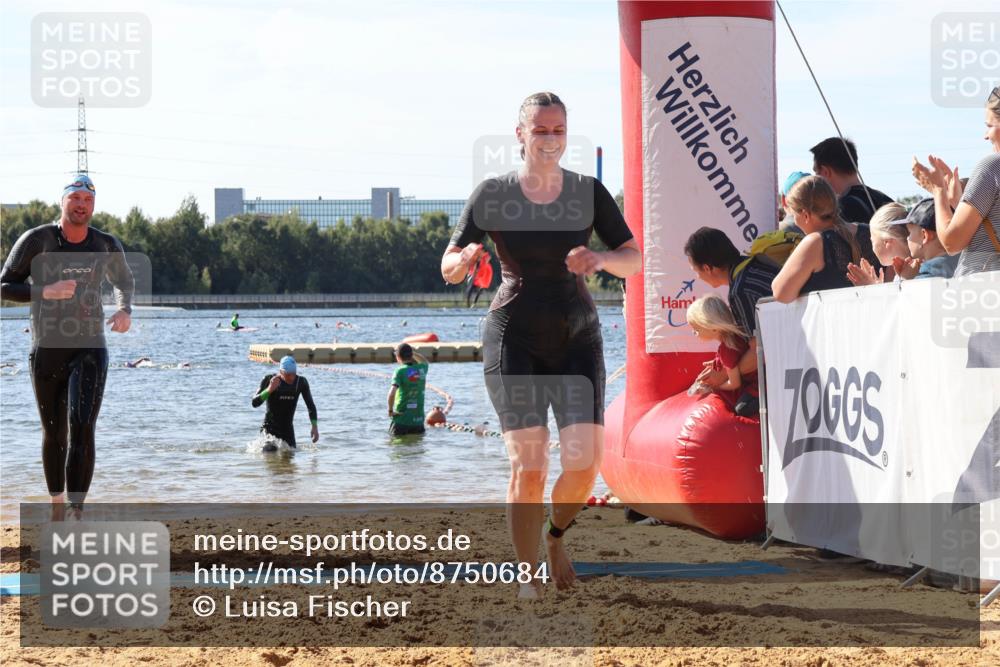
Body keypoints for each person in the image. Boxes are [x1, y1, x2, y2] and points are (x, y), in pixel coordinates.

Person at [440, 92, 641, 595]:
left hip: (577, 337)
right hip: (514, 335)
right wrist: (463, 260)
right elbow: (446, 266)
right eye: (540, 130)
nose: (550, 139)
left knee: (584, 464)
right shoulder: (492, 193)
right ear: (521, 135)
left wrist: (599, 260)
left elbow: (633, 257)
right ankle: (527, 577)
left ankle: (555, 538)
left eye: (558, 130)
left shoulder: (588, 192)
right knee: (529, 466)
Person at [0, 174, 134, 521]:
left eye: (88, 200)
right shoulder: (38, 240)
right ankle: (57, 504)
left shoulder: (105, 244)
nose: (81, 205)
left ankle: (76, 511)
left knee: (83, 424)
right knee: (54, 430)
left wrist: (124, 310)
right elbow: (5, 286)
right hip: (46, 347)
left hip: (90, 345)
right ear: (63, 202)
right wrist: (45, 290)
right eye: (75, 198)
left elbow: (124, 281)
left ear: (93, 206)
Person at [912, 87, 1000, 276]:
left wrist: (938, 192)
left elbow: (952, 243)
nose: (986, 135)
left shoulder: (992, 166)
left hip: (984, 293)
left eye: (989, 126)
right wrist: (959, 203)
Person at [684, 227, 777, 385]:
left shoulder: (739, 292)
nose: (697, 277)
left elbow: (761, 352)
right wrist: (724, 362)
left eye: (696, 271)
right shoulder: (756, 264)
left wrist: (726, 374)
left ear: (707, 268)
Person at [772, 176, 868, 302]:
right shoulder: (868, 232)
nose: (795, 221)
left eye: (794, 215)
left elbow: (780, 294)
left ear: (805, 215)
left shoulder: (814, 243)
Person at [685, 295, 758, 417]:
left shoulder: (727, 350)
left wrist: (715, 387)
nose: (694, 333)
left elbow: (735, 384)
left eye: (696, 329)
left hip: (760, 385)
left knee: (741, 408)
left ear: (713, 328)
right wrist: (718, 361)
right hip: (761, 376)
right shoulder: (736, 336)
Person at [811, 137, 894, 223]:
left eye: (816, 172)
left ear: (825, 172)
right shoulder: (885, 200)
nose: (815, 178)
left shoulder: (840, 209)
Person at [251, 355, 318, 451]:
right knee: (269, 453)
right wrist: (269, 390)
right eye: (288, 375)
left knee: (290, 459)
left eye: (293, 374)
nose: (292, 378)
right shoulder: (269, 379)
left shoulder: (301, 382)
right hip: (269, 429)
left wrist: (314, 426)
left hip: (287, 430)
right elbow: (254, 403)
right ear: (281, 372)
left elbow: (310, 405)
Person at [847, 203, 917, 285]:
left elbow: (903, 297)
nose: (872, 248)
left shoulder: (911, 275)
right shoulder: (909, 270)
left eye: (872, 241)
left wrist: (872, 288)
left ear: (887, 241)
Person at [894, 198, 960, 279]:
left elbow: (914, 291)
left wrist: (907, 280)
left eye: (910, 232)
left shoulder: (928, 271)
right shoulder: (961, 260)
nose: (907, 238)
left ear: (924, 236)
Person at [387, 344, 430, 436]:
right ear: (411, 355)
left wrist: (390, 410)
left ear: (398, 357)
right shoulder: (422, 369)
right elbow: (424, 361)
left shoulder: (400, 371)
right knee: (417, 446)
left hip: (401, 420)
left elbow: (392, 393)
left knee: (396, 447)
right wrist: (412, 353)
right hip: (418, 421)